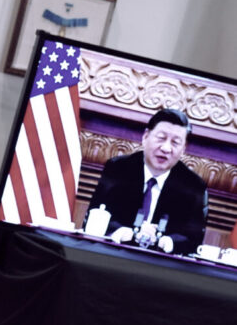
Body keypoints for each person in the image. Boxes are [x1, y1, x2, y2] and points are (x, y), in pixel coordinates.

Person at [85, 108, 207, 255]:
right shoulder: (118, 169)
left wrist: (165, 242)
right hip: (112, 255)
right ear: (145, 136)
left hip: (160, 266)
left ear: (183, 148)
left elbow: (193, 239)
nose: (166, 148)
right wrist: (127, 233)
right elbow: (95, 217)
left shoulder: (193, 185)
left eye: (175, 142)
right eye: (161, 138)